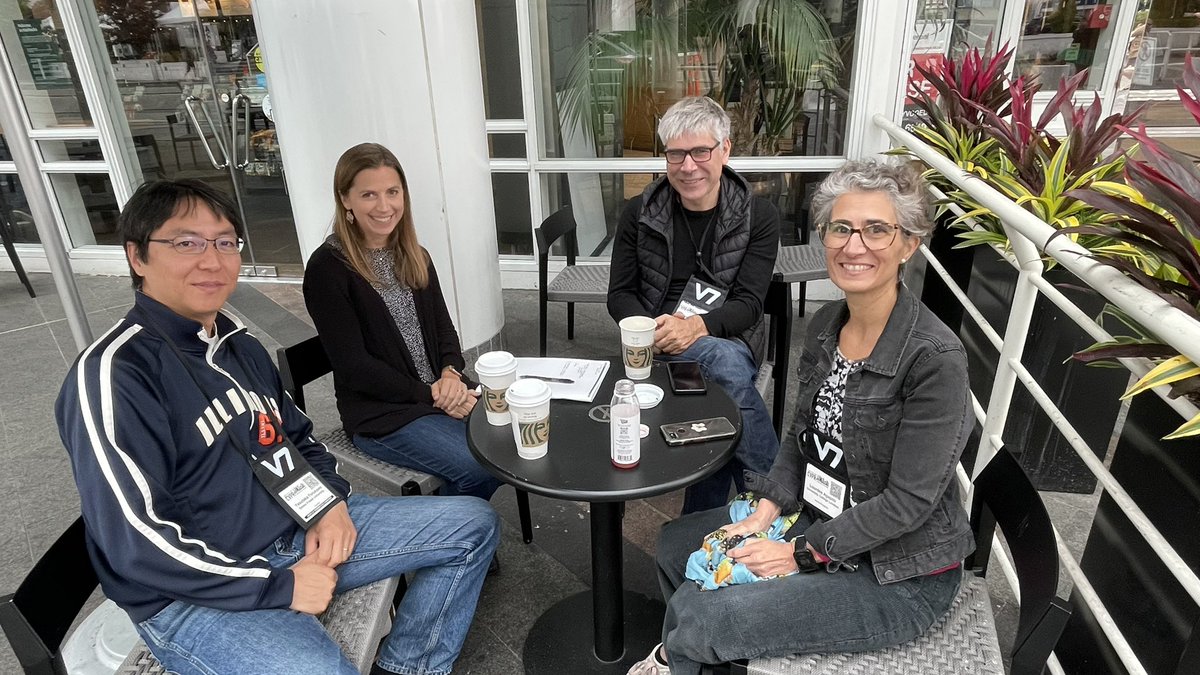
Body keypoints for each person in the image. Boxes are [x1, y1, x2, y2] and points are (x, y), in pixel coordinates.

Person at [56, 179, 499, 675]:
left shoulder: (239, 346)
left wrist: (327, 506)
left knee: (474, 525)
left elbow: (297, 439)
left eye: (225, 242)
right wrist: (280, 586)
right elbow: (136, 541)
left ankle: (406, 667)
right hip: (197, 592)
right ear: (137, 257)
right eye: (186, 243)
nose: (211, 260)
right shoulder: (116, 374)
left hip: (299, 531)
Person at [628, 160, 974, 675]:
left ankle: (691, 651)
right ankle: (717, 656)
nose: (854, 246)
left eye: (877, 230)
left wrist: (799, 554)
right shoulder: (828, 325)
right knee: (676, 544)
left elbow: (908, 504)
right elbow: (799, 437)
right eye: (840, 228)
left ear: (909, 243)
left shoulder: (933, 359)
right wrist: (765, 512)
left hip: (895, 573)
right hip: (818, 515)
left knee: (705, 616)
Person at [607, 96, 780, 514]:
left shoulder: (759, 215)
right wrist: (653, 329)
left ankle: (748, 501)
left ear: (725, 150)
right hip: (650, 340)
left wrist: (696, 328)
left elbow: (749, 305)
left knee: (723, 363)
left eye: (700, 151)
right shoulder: (639, 212)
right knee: (727, 380)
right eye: (676, 154)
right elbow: (619, 294)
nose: (688, 166)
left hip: (726, 335)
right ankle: (771, 499)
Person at [303, 142, 501, 501]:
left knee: (508, 437)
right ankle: (457, 539)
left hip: (440, 390)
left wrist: (450, 374)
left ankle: (455, 529)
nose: (384, 206)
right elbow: (356, 368)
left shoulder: (414, 254)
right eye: (368, 194)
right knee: (478, 464)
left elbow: (444, 329)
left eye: (392, 192)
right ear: (345, 199)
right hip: (384, 414)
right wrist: (433, 395)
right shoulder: (327, 270)